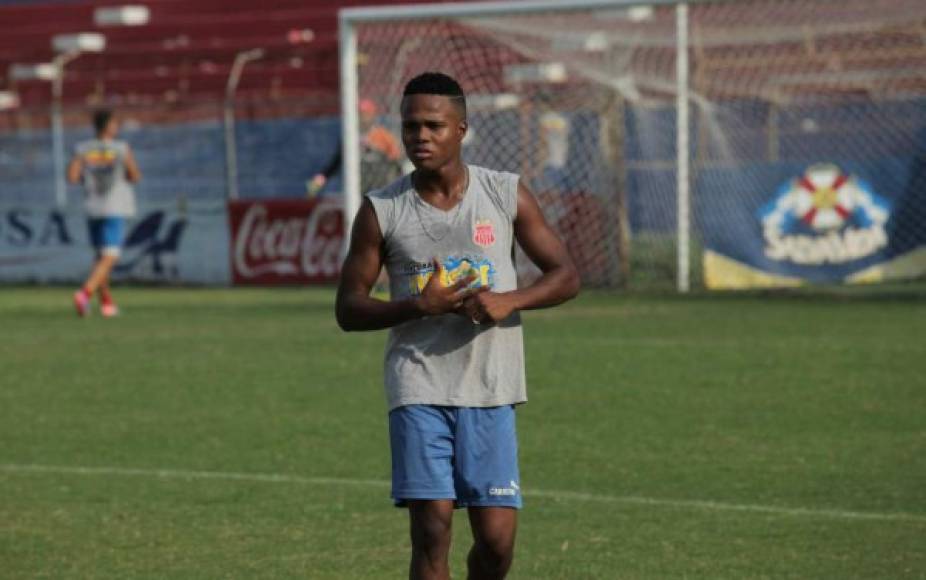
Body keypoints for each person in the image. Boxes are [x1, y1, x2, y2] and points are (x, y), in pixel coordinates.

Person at [335, 72, 580, 580]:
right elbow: (348, 308)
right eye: (409, 127)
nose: (419, 137)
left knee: (495, 543)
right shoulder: (381, 210)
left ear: (461, 128)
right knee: (433, 528)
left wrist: (509, 300)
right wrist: (416, 307)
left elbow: (566, 276)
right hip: (418, 383)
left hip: (491, 386)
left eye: (432, 125)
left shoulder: (506, 194)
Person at [67, 109, 142, 317]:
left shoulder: (82, 149)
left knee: (100, 256)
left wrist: (89, 178)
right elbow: (135, 175)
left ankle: (106, 303)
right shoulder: (120, 148)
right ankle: (84, 293)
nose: (117, 128)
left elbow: (72, 177)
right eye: (115, 124)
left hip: (92, 206)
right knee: (110, 256)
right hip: (114, 206)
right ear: (108, 126)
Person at [307, 98, 402, 196]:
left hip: (380, 185)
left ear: (373, 115)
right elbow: (337, 162)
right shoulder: (349, 137)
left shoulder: (383, 136)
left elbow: (396, 160)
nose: (362, 117)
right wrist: (321, 178)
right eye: (359, 114)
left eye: (366, 114)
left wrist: (376, 149)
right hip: (357, 186)